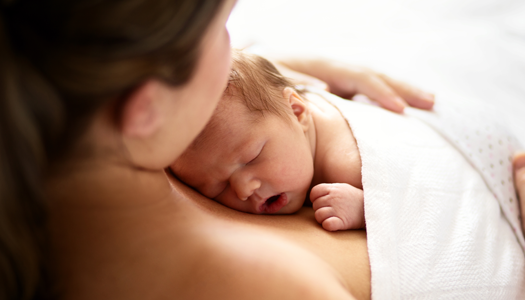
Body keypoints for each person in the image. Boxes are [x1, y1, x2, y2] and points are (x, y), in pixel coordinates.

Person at [7, 0, 521, 299]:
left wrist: (267, 79)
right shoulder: (257, 283)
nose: (238, 48)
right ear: (147, 105)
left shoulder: (56, 148)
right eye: (224, 29)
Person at [172, 50, 369, 231]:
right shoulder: (280, 115)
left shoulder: (350, 164)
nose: (244, 190)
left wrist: (363, 208)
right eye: (218, 188)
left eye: (251, 158)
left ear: (296, 111)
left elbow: (400, 204)